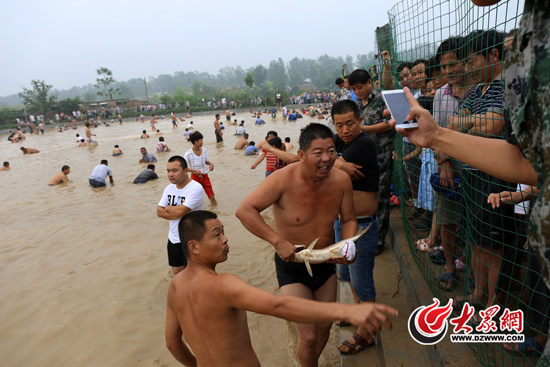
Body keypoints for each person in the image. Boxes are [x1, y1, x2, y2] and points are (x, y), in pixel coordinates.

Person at [166, 210, 398, 367]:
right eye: (217, 235)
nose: (225, 239)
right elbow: (279, 305)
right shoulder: (223, 284)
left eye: (224, 232)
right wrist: (346, 311)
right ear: (193, 247)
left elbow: (173, 343)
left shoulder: (176, 286)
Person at [236, 123, 358, 367]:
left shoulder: (342, 180)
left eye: (331, 151)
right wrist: (277, 241)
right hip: (292, 265)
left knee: (324, 327)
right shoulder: (282, 180)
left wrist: (348, 245)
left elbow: (350, 219)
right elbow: (245, 211)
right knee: (309, 335)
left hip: (326, 263)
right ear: (301, 155)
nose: (326, 158)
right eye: (318, 152)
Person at [330, 100, 381, 354]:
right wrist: (339, 162)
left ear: (360, 121)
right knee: (348, 275)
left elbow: (326, 165)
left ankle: (367, 332)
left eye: (350, 123)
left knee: (362, 279)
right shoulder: (342, 144)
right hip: (343, 224)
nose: (345, 129)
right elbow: (324, 161)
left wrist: (337, 162)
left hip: (362, 227)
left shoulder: (363, 144)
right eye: (339, 125)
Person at [348, 68, 395, 254]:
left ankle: (378, 240)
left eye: (360, 87)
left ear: (370, 83)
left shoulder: (382, 99)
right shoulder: (358, 105)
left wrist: (365, 129)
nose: (357, 91)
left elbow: (389, 123)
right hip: (364, 158)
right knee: (365, 197)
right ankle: (365, 236)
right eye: (354, 88)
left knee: (380, 198)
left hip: (381, 156)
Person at [157, 156, 205, 275]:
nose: (170, 174)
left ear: (185, 171)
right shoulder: (169, 188)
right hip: (173, 238)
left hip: (192, 239)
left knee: (197, 275)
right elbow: (159, 211)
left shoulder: (195, 188)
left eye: (175, 170)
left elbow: (180, 212)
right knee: (178, 275)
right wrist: (177, 211)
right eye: (168, 171)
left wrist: (168, 208)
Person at [184, 131, 217, 206]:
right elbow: (184, 168)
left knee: (212, 197)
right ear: (196, 142)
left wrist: (211, 164)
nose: (202, 142)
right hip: (194, 178)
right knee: (193, 199)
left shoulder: (204, 150)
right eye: (201, 140)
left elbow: (206, 161)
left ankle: (215, 211)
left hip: (205, 177)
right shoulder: (188, 154)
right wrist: (194, 170)